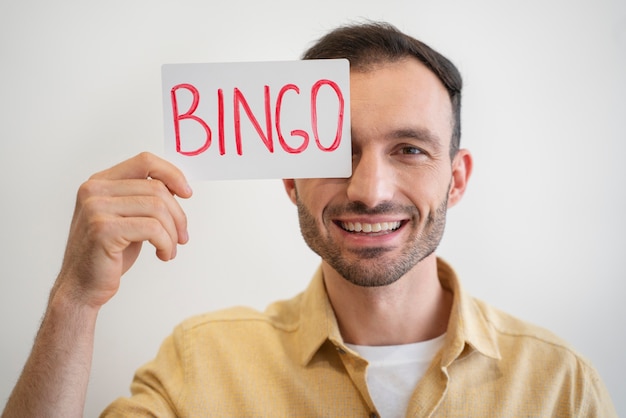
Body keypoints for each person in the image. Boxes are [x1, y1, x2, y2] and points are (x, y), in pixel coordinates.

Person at [2, 22, 617, 418]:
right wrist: (74, 302)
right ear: (290, 178)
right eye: (338, 151)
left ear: (455, 178)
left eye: (409, 149)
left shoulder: (559, 384)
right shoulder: (202, 364)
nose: (370, 190)